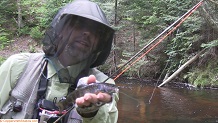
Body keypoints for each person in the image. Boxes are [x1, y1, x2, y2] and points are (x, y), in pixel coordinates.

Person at [0, 0, 118, 123]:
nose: (87, 33)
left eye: (96, 31)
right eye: (78, 24)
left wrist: (91, 113)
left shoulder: (105, 84)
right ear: (61, 30)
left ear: (99, 43)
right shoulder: (18, 65)